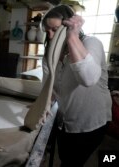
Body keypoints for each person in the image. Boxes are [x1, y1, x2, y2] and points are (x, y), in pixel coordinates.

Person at [41, 5, 112, 167]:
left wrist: (72, 36)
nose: (50, 36)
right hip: (65, 121)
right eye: (47, 31)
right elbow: (49, 89)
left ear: (68, 27)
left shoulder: (91, 43)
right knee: (65, 158)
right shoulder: (49, 56)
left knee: (72, 162)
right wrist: (41, 106)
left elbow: (88, 78)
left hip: (92, 121)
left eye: (55, 30)